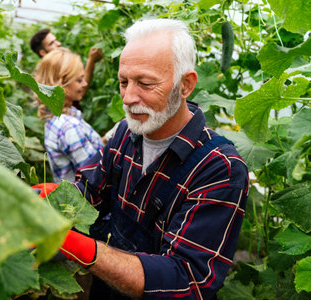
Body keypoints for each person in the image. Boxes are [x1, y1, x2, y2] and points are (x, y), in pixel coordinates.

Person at [56, 18, 249, 299]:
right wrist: (49, 201)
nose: (128, 97)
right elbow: (88, 193)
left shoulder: (220, 168)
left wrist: (83, 248)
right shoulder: (126, 132)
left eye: (145, 83)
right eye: (123, 82)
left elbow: (187, 280)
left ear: (185, 85)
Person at [35, 48, 103, 183]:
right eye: (79, 80)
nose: (85, 84)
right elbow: (97, 175)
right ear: (61, 86)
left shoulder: (55, 118)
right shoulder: (69, 127)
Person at [30, 28, 103, 95]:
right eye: (52, 43)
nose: (58, 44)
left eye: (56, 40)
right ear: (42, 52)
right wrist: (91, 61)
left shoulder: (45, 71)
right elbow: (80, 91)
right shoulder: (53, 70)